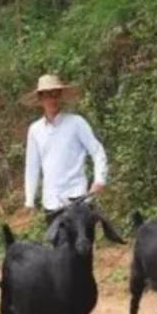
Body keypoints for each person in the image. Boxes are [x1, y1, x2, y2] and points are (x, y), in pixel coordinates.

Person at [23, 74, 107, 223]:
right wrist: (29, 200)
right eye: (48, 95)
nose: (52, 99)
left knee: (82, 245)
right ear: (41, 99)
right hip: (51, 202)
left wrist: (99, 179)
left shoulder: (76, 123)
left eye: (56, 94)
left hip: (78, 197)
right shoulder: (35, 130)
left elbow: (97, 150)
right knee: (58, 245)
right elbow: (32, 167)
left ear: (60, 97)